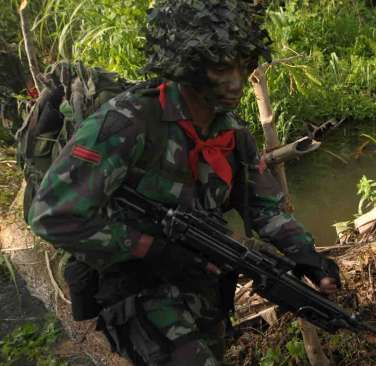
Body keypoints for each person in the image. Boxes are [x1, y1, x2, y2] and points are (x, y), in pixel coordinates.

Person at [27, 0, 340, 364]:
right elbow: (51, 215)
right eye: (221, 68)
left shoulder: (231, 133)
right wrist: (150, 248)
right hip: (138, 289)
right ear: (188, 65)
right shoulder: (127, 124)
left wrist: (306, 256)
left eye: (243, 65)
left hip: (202, 288)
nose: (236, 82)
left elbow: (265, 206)